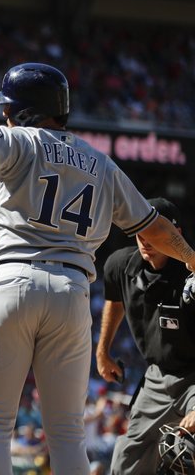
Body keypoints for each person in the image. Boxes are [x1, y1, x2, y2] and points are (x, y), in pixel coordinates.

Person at [0, 63, 195, 474]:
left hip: (13, 279)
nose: (4, 113)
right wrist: (193, 258)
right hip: (72, 290)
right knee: (68, 433)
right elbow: (156, 228)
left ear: (22, 111)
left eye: (8, 107)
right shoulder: (100, 162)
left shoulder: (18, 139)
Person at [96, 197, 195, 474]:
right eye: (141, 232)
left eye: (155, 234)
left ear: (177, 236)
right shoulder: (120, 265)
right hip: (158, 377)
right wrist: (102, 351)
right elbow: (114, 301)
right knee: (127, 459)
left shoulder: (192, 273)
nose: (146, 240)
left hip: (194, 376)